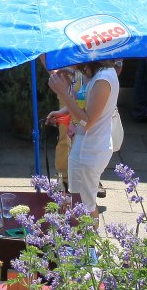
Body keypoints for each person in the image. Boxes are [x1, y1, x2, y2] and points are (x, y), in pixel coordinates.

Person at [48, 59, 124, 214]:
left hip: (91, 152)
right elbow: (85, 102)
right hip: (84, 147)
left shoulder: (103, 80)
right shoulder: (94, 74)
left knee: (86, 207)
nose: (68, 59)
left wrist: (63, 93)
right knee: (80, 203)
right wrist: (63, 111)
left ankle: (90, 230)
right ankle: (83, 230)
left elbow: (87, 122)